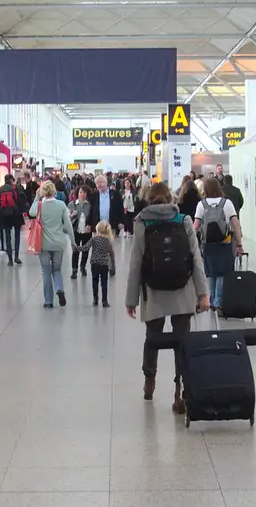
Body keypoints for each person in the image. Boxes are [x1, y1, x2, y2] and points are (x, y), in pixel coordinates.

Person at [126, 181, 208, 412]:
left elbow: (136, 263)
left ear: (149, 199)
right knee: (182, 342)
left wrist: (131, 300)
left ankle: (149, 379)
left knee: (153, 337)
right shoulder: (183, 220)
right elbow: (196, 258)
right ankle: (179, 391)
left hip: (153, 291)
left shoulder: (142, 222)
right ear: (172, 198)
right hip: (183, 291)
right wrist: (202, 294)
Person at [194, 175, 241, 309]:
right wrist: (239, 244)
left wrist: (192, 243)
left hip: (208, 243)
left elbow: (195, 226)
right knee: (223, 271)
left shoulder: (202, 204)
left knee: (210, 271)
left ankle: (210, 298)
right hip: (225, 243)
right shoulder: (226, 203)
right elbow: (235, 224)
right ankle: (218, 301)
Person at [30, 180, 71, 308]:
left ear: (42, 191)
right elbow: (68, 225)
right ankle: (59, 288)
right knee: (57, 269)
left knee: (46, 271)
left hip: (43, 243)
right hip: (59, 243)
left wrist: (37, 197)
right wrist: (73, 241)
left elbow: (31, 213)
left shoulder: (40, 205)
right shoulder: (61, 205)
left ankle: (48, 301)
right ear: (53, 191)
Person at [0, 175, 23, 265]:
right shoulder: (16, 188)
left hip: (5, 215)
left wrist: (1, 214)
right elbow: (21, 200)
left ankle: (10, 259)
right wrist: (20, 211)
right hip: (16, 214)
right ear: (11, 180)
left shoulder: (0, 190)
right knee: (17, 235)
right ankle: (17, 257)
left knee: (7, 236)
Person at [89, 220, 116, 308]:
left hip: (95, 264)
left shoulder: (94, 239)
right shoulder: (108, 241)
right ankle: (104, 301)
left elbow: (85, 248)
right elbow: (112, 254)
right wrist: (113, 266)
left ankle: (95, 299)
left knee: (94, 281)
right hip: (104, 265)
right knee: (104, 283)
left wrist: (76, 248)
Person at [69, 186, 93, 280]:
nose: (82, 194)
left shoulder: (90, 204)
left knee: (85, 250)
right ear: (77, 193)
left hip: (87, 231)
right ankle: (74, 269)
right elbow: (67, 218)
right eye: (81, 192)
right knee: (75, 250)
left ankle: (83, 267)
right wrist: (72, 215)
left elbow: (92, 216)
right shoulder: (72, 204)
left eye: (84, 192)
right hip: (76, 231)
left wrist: (90, 225)